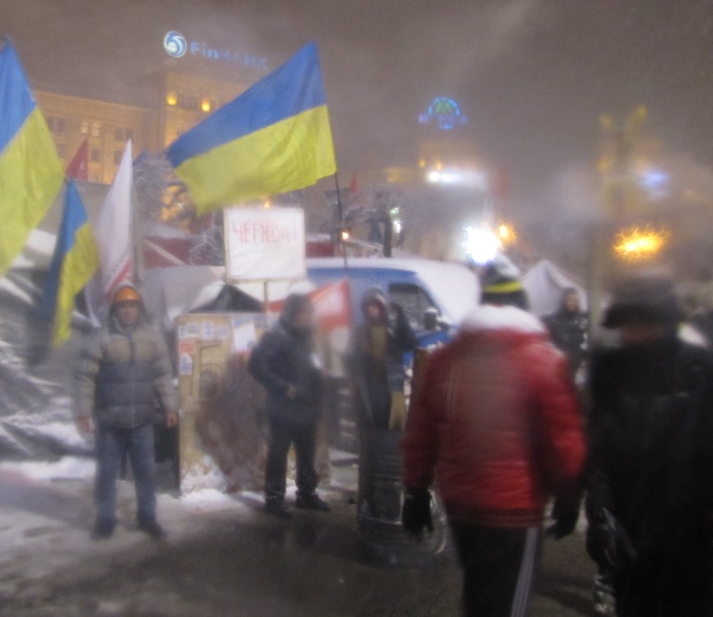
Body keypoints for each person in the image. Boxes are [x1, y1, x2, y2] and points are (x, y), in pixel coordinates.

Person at [402, 257, 586, 617]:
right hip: (516, 509)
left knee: (479, 596)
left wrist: (416, 491)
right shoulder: (544, 362)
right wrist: (568, 496)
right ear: (522, 305)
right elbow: (563, 441)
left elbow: (421, 432)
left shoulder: (445, 361)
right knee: (506, 604)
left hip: (461, 505)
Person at [584, 274, 713, 616]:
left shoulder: (699, 368)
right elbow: (598, 442)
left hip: (688, 525)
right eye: (627, 325)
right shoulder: (610, 368)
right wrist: (599, 504)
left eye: (643, 323)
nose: (634, 334)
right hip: (630, 520)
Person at [74, 284, 177, 540]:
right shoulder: (101, 339)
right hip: (110, 423)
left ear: (139, 308)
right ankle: (105, 520)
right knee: (107, 474)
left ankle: (148, 518)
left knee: (146, 474)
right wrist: (84, 412)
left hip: (142, 423)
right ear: (115, 310)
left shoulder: (152, 338)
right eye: (123, 306)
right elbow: (85, 378)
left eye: (132, 306)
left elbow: (163, 375)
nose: (128, 311)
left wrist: (170, 407)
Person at [248, 293, 330, 518]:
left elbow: (313, 366)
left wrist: (319, 383)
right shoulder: (276, 335)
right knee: (278, 454)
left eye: (310, 312)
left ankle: (307, 495)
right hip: (284, 408)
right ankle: (274, 499)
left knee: (307, 454)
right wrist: (283, 387)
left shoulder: (308, 336)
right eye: (305, 312)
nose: (309, 316)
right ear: (294, 313)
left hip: (307, 407)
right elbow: (255, 365)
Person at [345, 288, 418, 431]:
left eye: (375, 306)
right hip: (370, 383)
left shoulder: (392, 330)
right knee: (371, 420)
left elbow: (411, 343)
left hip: (391, 383)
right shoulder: (360, 331)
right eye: (369, 307)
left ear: (382, 307)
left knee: (393, 421)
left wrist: (402, 317)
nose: (372, 310)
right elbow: (350, 357)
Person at [543, 287, 589, 386]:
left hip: (577, 363)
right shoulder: (553, 320)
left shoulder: (584, 319)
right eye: (569, 299)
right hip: (558, 363)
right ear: (563, 300)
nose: (572, 303)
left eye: (575, 300)